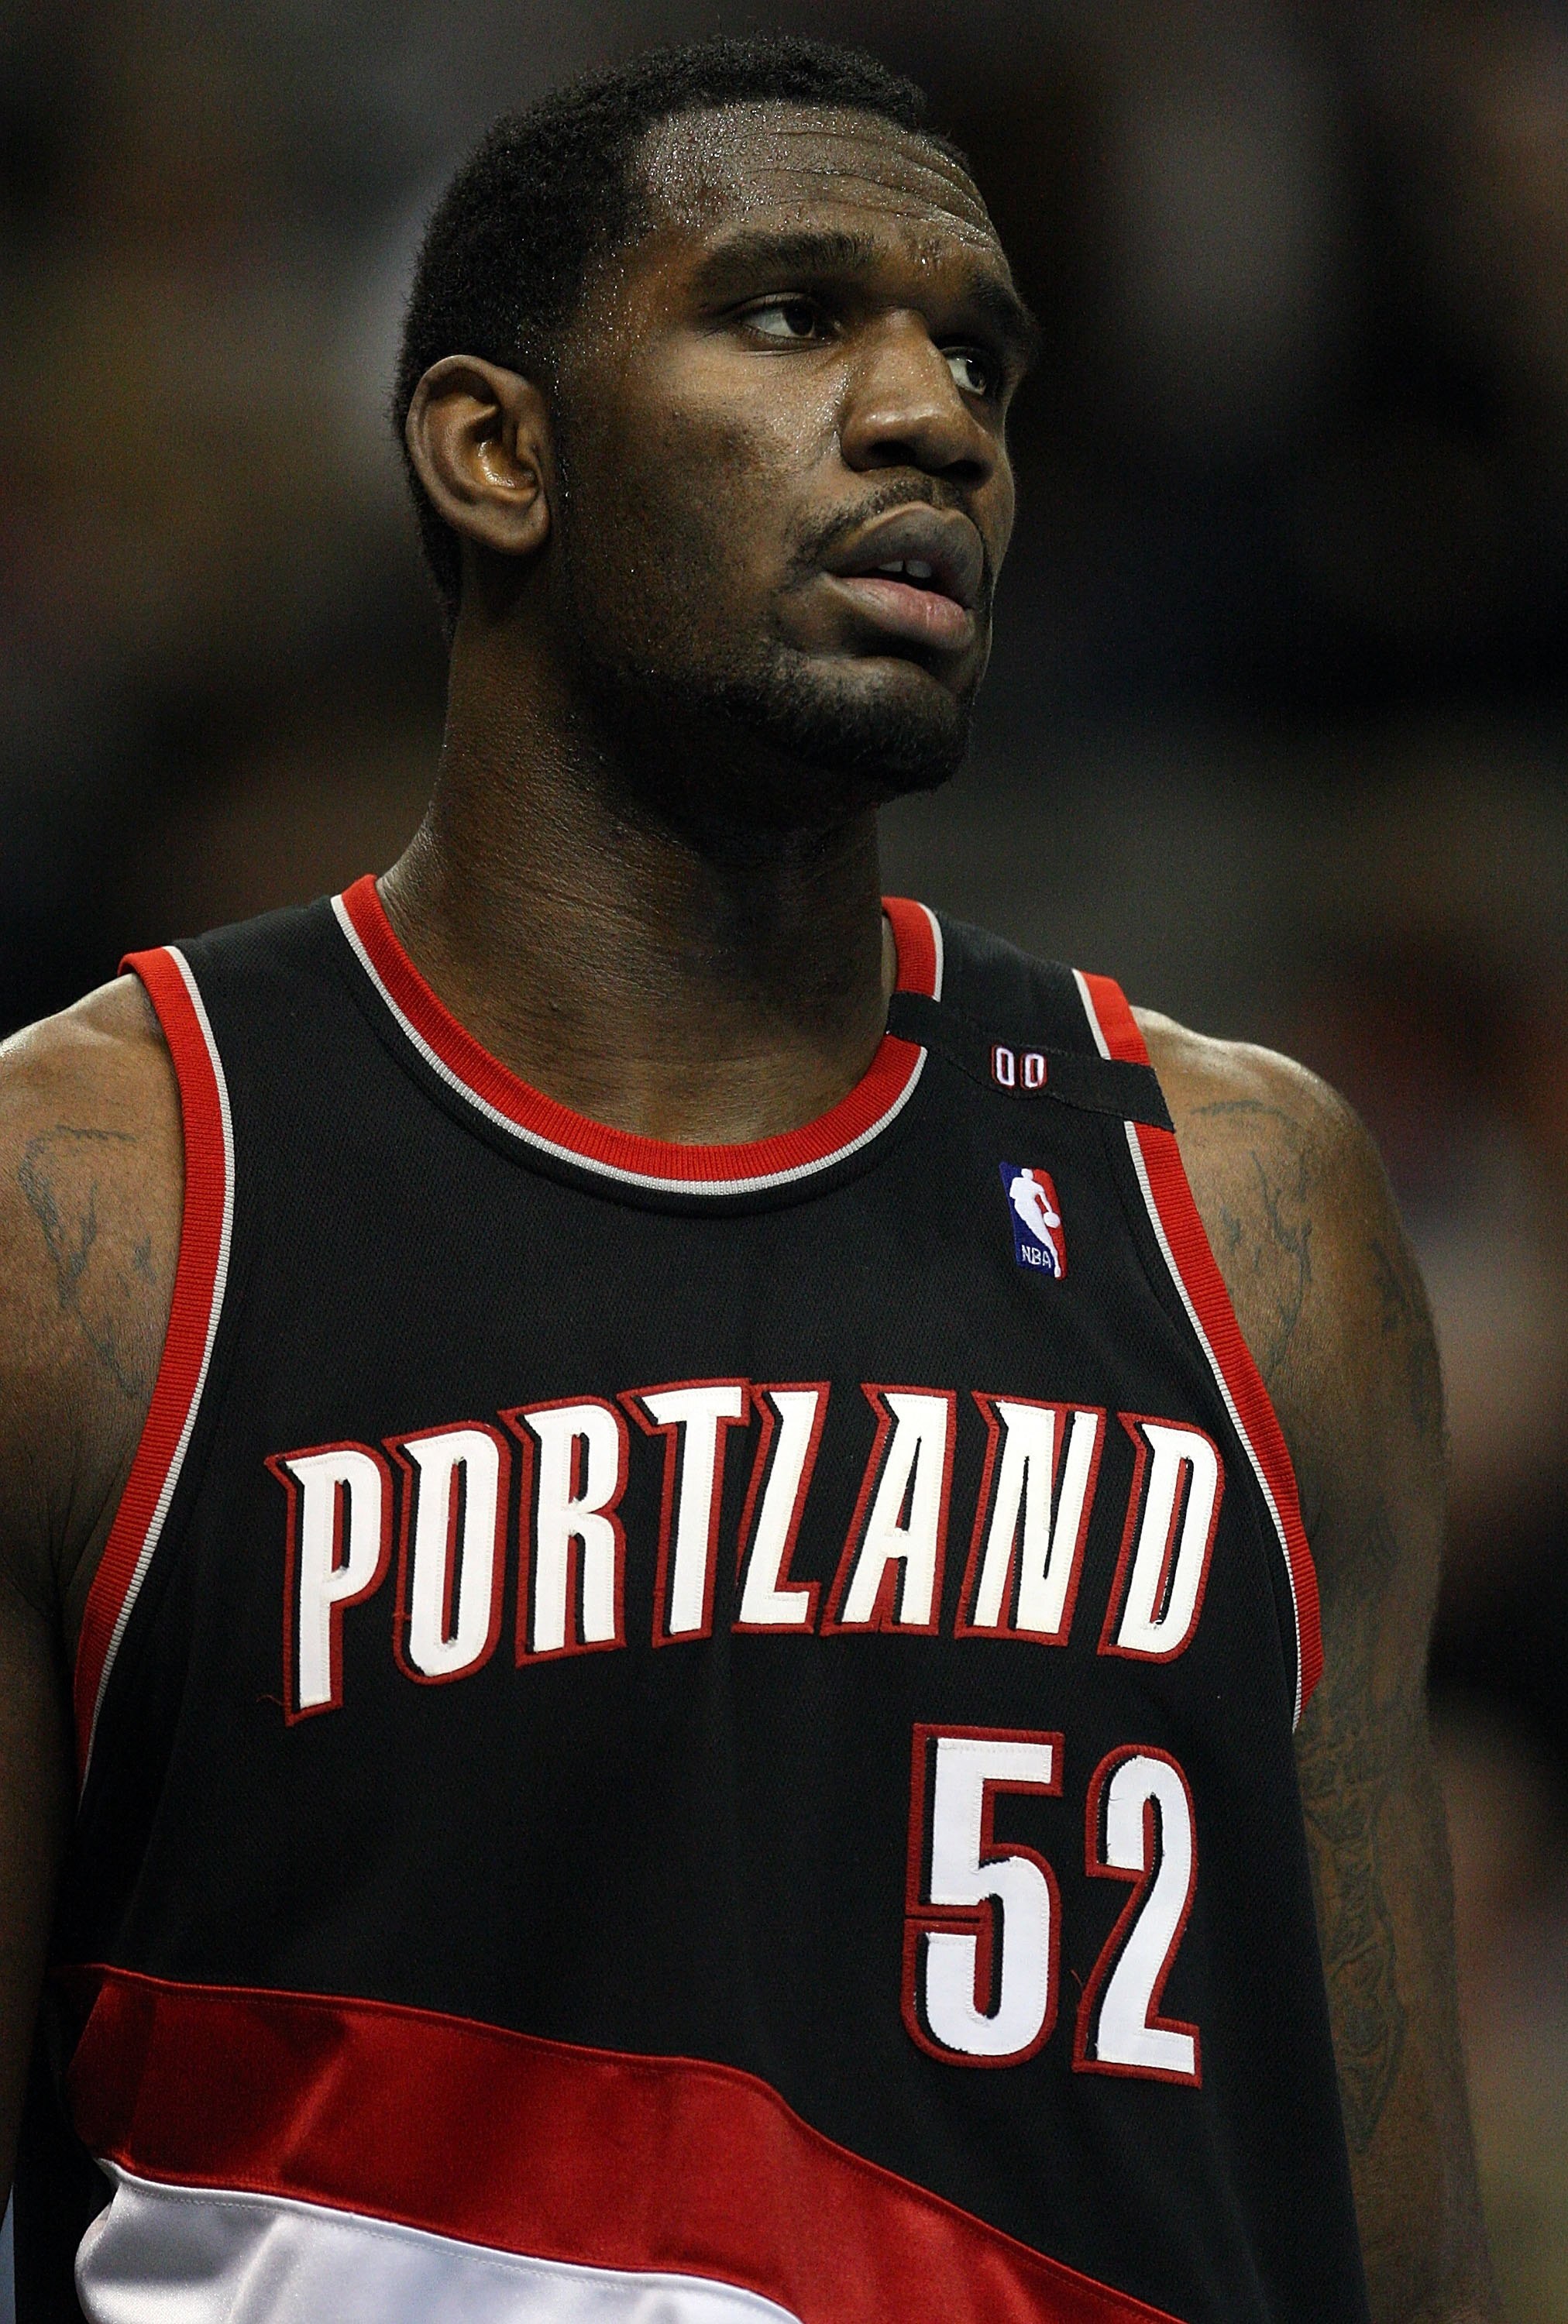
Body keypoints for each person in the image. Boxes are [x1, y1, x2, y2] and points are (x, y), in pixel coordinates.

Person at [0, 34, 1498, 2324]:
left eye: (978, 352)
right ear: (496, 452)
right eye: (796, 316)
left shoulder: (1246, 1205)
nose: (936, 421)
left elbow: (1388, 2247)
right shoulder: (84, 1196)